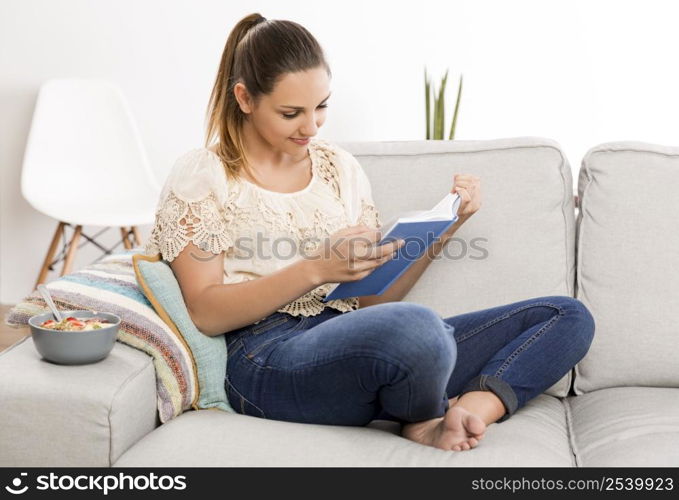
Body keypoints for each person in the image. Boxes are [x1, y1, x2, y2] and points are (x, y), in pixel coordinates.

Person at [145, 12, 595, 452]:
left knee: (567, 316)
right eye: (290, 113)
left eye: (321, 107)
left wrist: (448, 223)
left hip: (354, 335)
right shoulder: (204, 174)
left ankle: (471, 409)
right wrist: (315, 268)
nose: (311, 126)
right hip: (263, 357)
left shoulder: (339, 168)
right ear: (244, 98)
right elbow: (205, 312)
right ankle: (422, 417)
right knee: (420, 329)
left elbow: (373, 303)